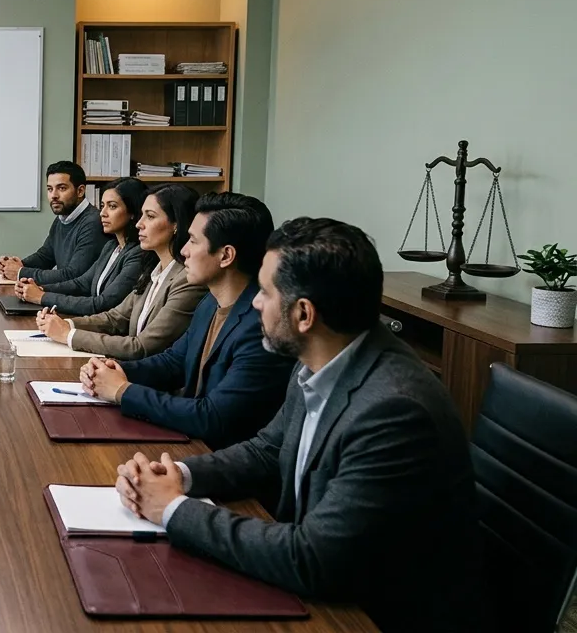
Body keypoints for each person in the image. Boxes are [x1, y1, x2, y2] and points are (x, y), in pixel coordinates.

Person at [115, 217, 478, 632]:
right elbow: (267, 449)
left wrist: (174, 509)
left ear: (304, 314)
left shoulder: (394, 411)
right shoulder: (322, 360)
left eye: (266, 294)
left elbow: (313, 558)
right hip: (321, 586)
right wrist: (179, 474)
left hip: (371, 615)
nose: (254, 303)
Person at [76, 192, 294, 449]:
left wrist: (123, 391)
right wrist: (116, 370)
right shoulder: (210, 302)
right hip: (188, 443)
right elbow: (173, 362)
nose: (183, 250)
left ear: (226, 256)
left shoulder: (262, 327)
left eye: (192, 241)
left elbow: (212, 417)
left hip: (218, 459)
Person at [36, 183, 205, 360]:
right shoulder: (153, 269)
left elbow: (140, 347)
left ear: (176, 224)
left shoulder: (186, 280)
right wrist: (65, 324)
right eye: (142, 215)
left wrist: (68, 335)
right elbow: (115, 318)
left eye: (150, 216)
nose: (139, 224)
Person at [15, 177, 150, 316]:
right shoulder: (111, 246)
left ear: (133, 212)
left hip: (109, 331)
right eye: (102, 205)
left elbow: (101, 304)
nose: (103, 213)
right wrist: (39, 289)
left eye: (112, 206)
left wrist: (41, 297)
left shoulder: (138, 254)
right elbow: (82, 283)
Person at [0, 160, 105, 284]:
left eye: (62, 188)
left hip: (78, 300)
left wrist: (20, 272)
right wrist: (15, 265)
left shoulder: (93, 222)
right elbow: (46, 256)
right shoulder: (62, 218)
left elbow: (73, 275)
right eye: (50, 189)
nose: (54, 195)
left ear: (80, 191)